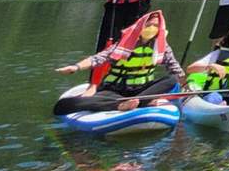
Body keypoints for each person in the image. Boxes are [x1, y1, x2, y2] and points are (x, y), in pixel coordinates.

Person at [55, 11, 184, 114]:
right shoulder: (125, 44)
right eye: (148, 25)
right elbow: (98, 58)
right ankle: (122, 105)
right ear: (140, 26)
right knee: (65, 105)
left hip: (142, 90)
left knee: (172, 79)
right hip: (115, 90)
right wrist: (76, 67)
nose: (151, 28)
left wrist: (185, 85)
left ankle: (139, 101)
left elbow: (174, 67)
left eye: (156, 26)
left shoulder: (161, 46)